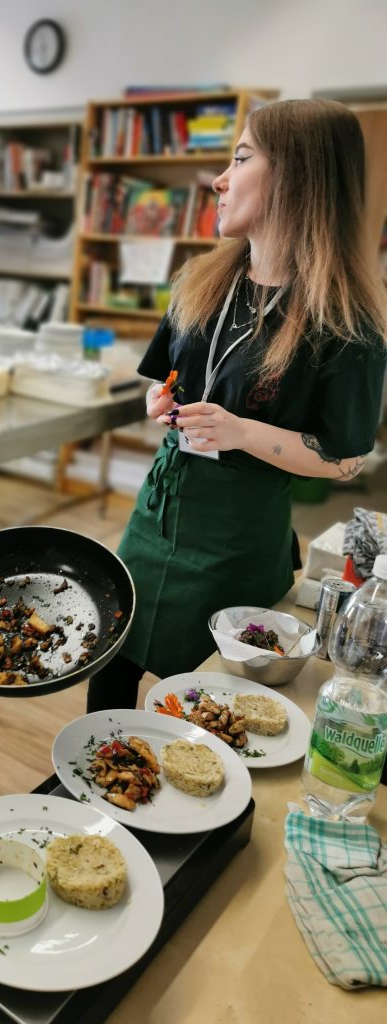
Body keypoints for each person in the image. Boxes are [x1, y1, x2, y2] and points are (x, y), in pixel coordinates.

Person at [87, 98, 387, 714]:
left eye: (241, 157)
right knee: (114, 653)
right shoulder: (203, 281)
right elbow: (165, 377)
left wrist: (242, 431)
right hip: (158, 514)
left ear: (298, 177)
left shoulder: (345, 323)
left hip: (239, 538)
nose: (219, 180)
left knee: (209, 697)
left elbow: (346, 460)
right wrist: (161, 399)